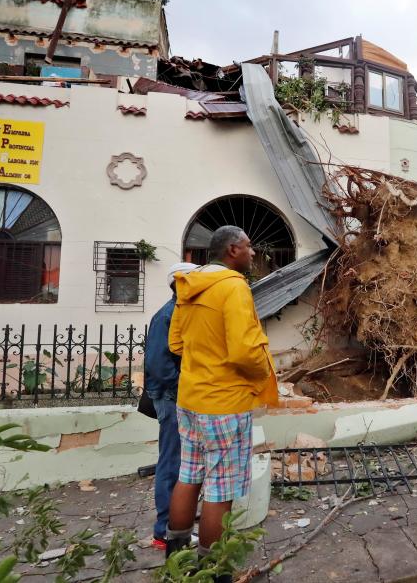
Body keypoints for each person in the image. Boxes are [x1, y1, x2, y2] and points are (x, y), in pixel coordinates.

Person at [164, 226, 279, 581]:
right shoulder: (233, 287)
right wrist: (261, 374)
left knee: (188, 475)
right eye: (249, 247)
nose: (253, 253)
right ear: (232, 250)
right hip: (224, 402)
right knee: (221, 488)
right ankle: (214, 570)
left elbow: (177, 344)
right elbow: (245, 349)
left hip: (190, 398)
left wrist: (205, 359)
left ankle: (176, 556)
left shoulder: (189, 285)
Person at [144, 262, 197, 549]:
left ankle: (177, 523)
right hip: (170, 397)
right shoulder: (167, 316)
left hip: (176, 396)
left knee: (181, 461)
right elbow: (158, 366)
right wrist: (184, 386)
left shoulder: (180, 313)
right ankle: (164, 529)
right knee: (172, 461)